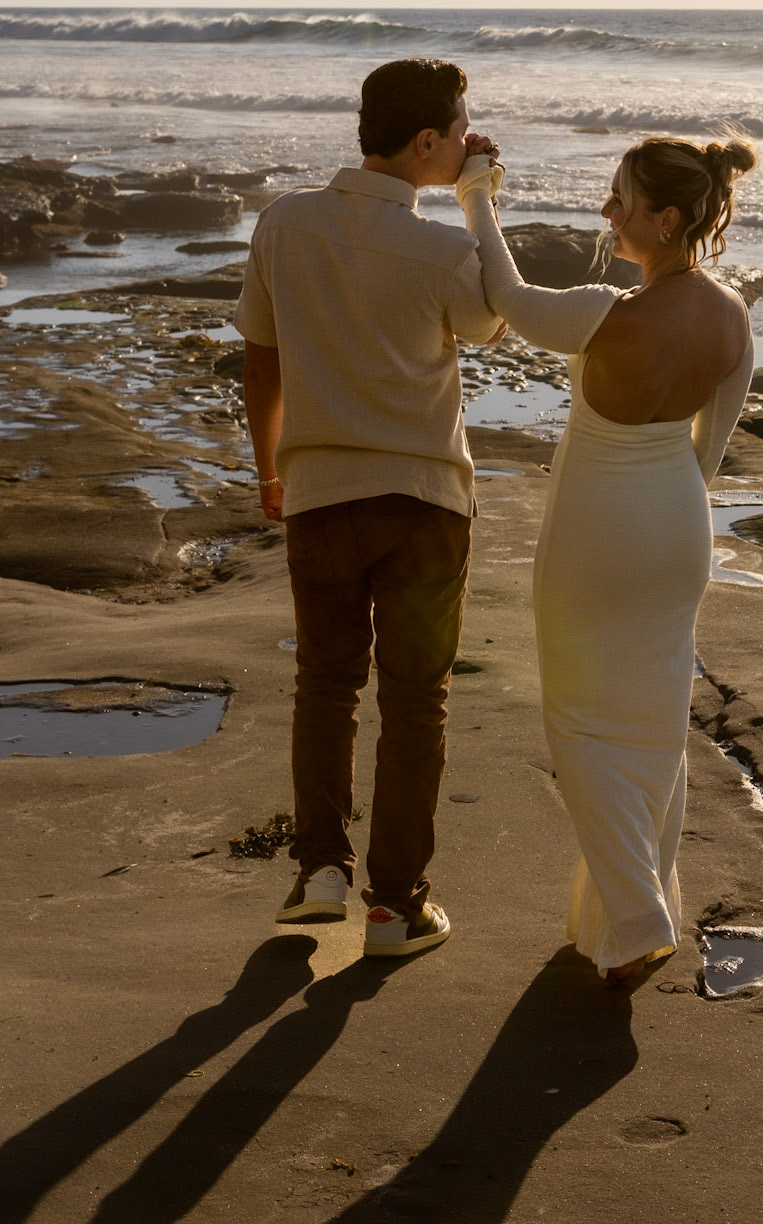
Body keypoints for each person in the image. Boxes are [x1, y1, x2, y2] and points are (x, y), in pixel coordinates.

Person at [457, 132, 757, 984]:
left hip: (600, 531)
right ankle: (632, 908)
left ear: (665, 220)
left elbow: (506, 293)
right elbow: (709, 457)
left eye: (619, 200)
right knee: (655, 727)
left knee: (582, 721)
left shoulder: (604, 312)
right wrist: (666, 519)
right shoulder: (732, 316)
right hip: (677, 532)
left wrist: (478, 193)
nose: (605, 211)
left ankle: (635, 916)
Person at [235, 57, 505, 959]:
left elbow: (262, 361)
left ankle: (320, 872)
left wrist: (270, 470)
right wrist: (480, 197)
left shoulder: (285, 223)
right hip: (427, 501)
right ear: (426, 141)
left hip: (319, 495)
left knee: (326, 685)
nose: (468, 139)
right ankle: (396, 906)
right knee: (415, 702)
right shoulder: (444, 249)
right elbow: (491, 324)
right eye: (460, 129)